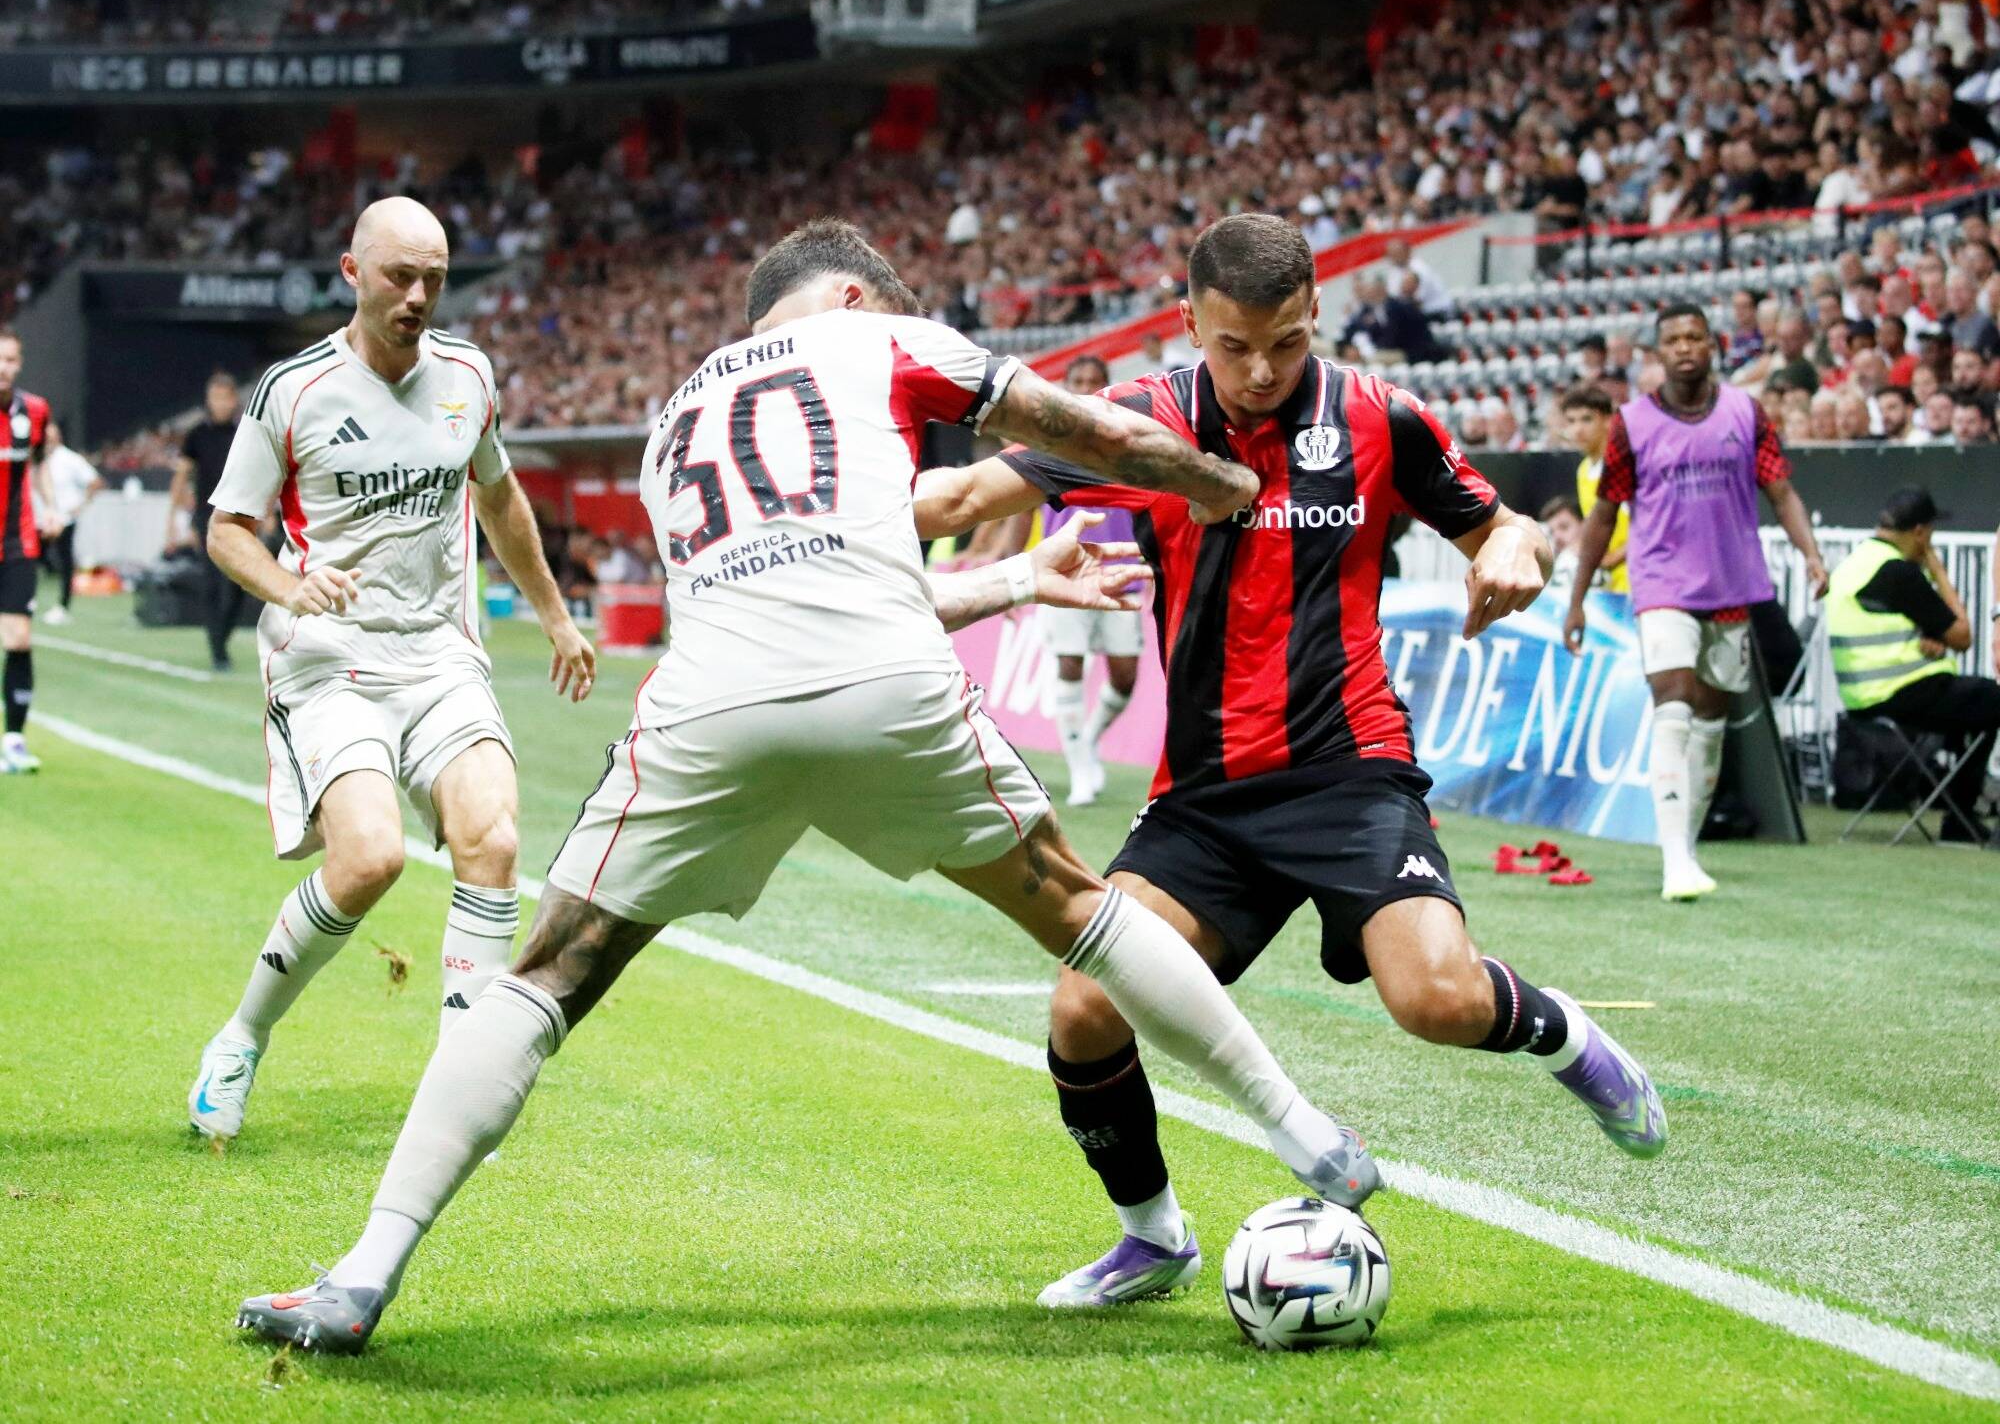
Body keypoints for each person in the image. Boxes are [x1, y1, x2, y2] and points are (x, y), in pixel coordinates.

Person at [237, 218, 1374, 1353]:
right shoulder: (879, 342)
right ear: (848, 295)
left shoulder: (673, 415)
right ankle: (1306, 1134)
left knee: (546, 972)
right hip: (886, 687)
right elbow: (1084, 430)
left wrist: (1019, 574)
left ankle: (362, 1273)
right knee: (1075, 905)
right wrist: (1212, 478)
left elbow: (803, 598)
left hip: (714, 704)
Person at [915, 214, 1665, 1310]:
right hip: (1203, 798)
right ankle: (1152, 1235)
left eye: (1285, 342)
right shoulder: (1134, 424)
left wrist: (1512, 549)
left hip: (1348, 768)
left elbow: (1505, 527)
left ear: (1316, 314)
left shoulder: (1377, 415)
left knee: (1437, 1001)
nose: (1261, 372)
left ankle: (1566, 1037)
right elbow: (963, 500)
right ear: (1187, 325)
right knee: (1081, 1010)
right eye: (1232, 347)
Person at [186, 197, 597, 1144]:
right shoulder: (291, 392)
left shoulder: (468, 376)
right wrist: (290, 586)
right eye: (399, 277)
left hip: (439, 652)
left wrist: (554, 615)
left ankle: (461, 1081)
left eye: (435, 280)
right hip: (330, 659)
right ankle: (242, 1036)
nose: (417, 297)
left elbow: (498, 495)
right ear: (352, 272)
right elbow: (226, 531)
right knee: (368, 858)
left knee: (492, 838)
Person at [1566, 302, 1828, 902]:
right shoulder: (1631, 424)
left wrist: (1811, 555)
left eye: (1695, 337)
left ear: (1713, 345)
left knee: (1711, 721)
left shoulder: (1746, 411)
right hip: (1659, 583)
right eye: (1673, 340)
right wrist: (1576, 599)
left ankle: (1686, 845)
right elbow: (1604, 513)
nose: (1685, 347)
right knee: (1675, 702)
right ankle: (1675, 862)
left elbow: (1781, 491)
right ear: (1658, 354)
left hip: (1731, 585)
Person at [957, 353, 1143, 805]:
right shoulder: (1047, 444)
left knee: (1124, 677)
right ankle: (1080, 769)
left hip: (1120, 569)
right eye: (1076, 379)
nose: (1083, 385)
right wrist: (1009, 576)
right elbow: (1019, 514)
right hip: (1062, 570)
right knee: (1070, 665)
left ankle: (1087, 740)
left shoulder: (1129, 440)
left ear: (1105, 383)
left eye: (1092, 379)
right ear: (1066, 385)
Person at [1827, 486, 1997, 844]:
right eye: (1930, 537)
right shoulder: (1898, 572)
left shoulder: (1855, 563)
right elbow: (1962, 635)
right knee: (1990, 698)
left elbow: (1887, 620)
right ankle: (1959, 818)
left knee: (1970, 704)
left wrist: (1926, 633)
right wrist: (1937, 569)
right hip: (1898, 692)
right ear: (1919, 532)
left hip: (1861, 696)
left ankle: (1950, 799)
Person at [172, 373, 254, 671]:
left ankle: (222, 637)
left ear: (234, 400)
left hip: (239, 517)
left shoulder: (244, 432)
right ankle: (217, 649)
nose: (219, 403)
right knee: (211, 584)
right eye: (215, 397)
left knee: (234, 586)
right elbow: (181, 476)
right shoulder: (196, 435)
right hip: (206, 517)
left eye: (225, 397)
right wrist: (177, 516)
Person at [0, 328, 52, 775]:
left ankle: (13, 740)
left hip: (17, 542)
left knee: (18, 638)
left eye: (12, 359)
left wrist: (51, 507)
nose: (5, 367)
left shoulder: (34, 411)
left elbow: (38, 465)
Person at [1559, 385, 1628, 592]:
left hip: (1638, 582)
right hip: (1610, 586)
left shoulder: (1625, 464)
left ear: (1608, 420)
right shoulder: (1584, 471)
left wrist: (1611, 558)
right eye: (1571, 421)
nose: (1577, 429)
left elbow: (1652, 525)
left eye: (1587, 419)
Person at [35, 417, 100, 624]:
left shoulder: (70, 459)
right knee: (30, 560)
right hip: (38, 519)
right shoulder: (35, 457)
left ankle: (63, 605)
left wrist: (80, 506)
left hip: (64, 519)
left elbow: (95, 482)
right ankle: (27, 599)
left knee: (65, 562)